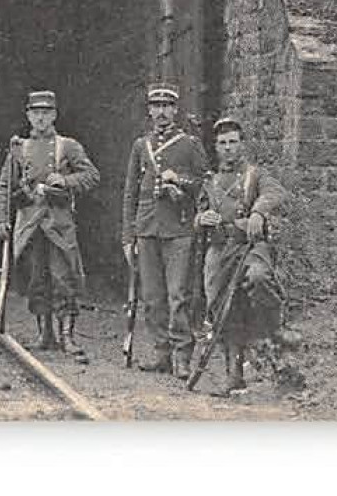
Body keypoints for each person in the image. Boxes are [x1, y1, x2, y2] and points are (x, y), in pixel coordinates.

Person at [0, 90, 100, 361]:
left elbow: (91, 175)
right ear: (28, 116)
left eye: (46, 113)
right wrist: (0, 219)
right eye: (35, 113)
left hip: (59, 224)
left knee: (64, 278)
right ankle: (45, 334)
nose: (40, 118)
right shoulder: (19, 149)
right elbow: (5, 187)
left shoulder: (68, 146)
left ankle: (68, 336)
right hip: (29, 224)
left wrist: (65, 181)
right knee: (36, 279)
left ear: (54, 115)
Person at [195, 116, 289, 395]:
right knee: (219, 304)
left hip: (249, 247)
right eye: (222, 143)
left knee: (259, 278)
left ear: (242, 144)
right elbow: (195, 215)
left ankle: (272, 336)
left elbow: (276, 192)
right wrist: (202, 218)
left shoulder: (254, 175)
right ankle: (233, 372)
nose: (228, 148)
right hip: (219, 249)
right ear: (216, 148)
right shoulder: (210, 182)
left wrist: (258, 212)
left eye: (233, 142)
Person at [120, 83, 209, 378]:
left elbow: (204, 184)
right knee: (153, 296)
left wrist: (179, 182)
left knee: (177, 295)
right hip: (146, 228)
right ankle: (162, 352)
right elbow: (130, 193)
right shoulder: (139, 145)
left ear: (175, 110)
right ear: (149, 110)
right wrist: (128, 235)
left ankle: (182, 353)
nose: (161, 112)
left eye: (167, 106)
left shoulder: (190, 144)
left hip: (178, 229)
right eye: (156, 106)